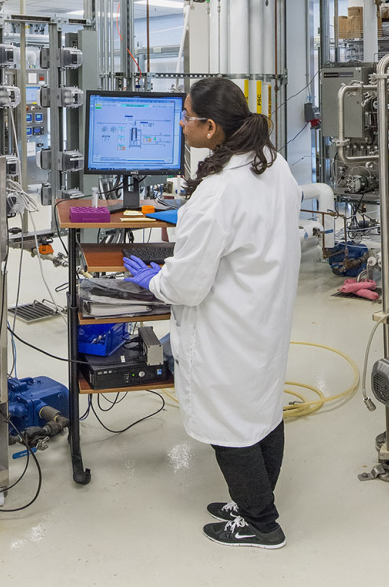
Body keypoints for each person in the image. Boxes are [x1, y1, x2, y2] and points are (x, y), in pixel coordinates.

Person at [121, 77, 300, 550]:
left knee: (230, 425)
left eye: (187, 117)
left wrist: (155, 280)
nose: (182, 125)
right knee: (261, 410)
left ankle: (261, 523)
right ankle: (253, 501)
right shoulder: (274, 164)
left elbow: (188, 283)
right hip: (262, 314)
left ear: (211, 126)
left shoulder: (218, 192)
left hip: (228, 324)